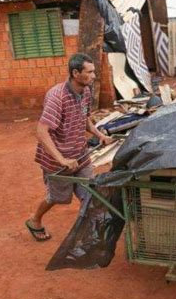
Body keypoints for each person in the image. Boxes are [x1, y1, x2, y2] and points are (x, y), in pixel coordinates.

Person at [25, 53, 114, 241]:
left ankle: (90, 233)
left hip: (80, 155)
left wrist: (100, 135)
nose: (93, 75)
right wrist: (62, 160)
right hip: (58, 161)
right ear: (75, 73)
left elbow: (85, 118)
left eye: (93, 71)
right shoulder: (57, 97)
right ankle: (34, 220)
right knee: (56, 197)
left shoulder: (86, 91)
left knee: (89, 192)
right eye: (89, 72)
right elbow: (42, 131)